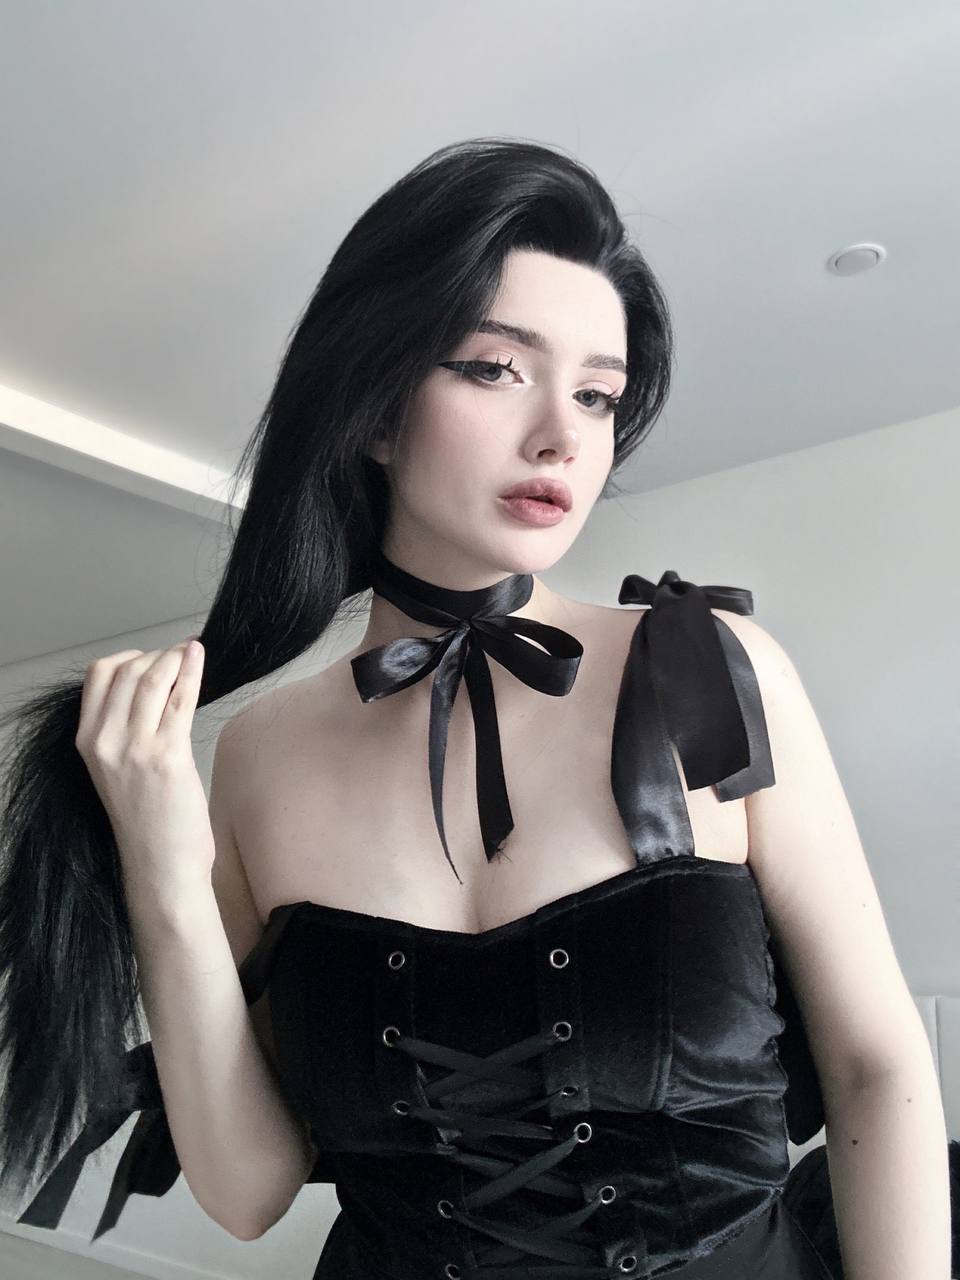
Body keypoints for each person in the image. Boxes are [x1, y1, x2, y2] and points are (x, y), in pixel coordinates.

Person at [0, 137, 945, 1278]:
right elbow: (247, 1191)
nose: (562, 434)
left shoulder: (708, 667)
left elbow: (877, 1069)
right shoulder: (260, 752)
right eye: (497, 368)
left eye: (597, 394)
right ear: (375, 410)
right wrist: (160, 868)